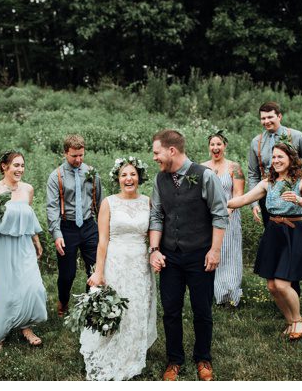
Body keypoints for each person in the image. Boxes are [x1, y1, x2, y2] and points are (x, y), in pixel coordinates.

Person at [228, 143, 302, 341]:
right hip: (273, 233)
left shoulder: (301, 181)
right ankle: (290, 321)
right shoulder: (268, 182)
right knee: (272, 286)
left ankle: (298, 320)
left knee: (283, 284)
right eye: (273, 157)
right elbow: (243, 199)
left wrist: (298, 199)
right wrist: (216, 203)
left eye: (280, 157)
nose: (276, 161)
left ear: (291, 158)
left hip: (293, 233)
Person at [148, 129, 227, 381]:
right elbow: (157, 215)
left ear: (171, 150)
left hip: (200, 255)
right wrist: (154, 250)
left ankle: (203, 358)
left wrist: (214, 251)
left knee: (202, 310)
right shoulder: (160, 179)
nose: (154, 158)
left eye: (156, 153)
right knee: (170, 310)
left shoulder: (205, 176)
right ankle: (174, 360)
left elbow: (219, 214)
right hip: (170, 256)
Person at [80, 157, 158, 381]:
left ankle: (133, 350)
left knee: (137, 307)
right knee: (116, 307)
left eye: (132, 174)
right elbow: (102, 240)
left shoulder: (148, 201)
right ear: (118, 178)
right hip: (115, 261)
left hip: (139, 263)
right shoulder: (109, 202)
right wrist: (98, 271)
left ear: (139, 177)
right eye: (124, 175)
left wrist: (154, 253)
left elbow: (153, 232)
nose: (128, 178)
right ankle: (109, 348)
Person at [0, 150, 47, 352]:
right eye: (16, 165)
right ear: (4, 166)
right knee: (5, 291)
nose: (20, 169)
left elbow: (27, 218)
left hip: (23, 244)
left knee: (33, 286)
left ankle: (26, 326)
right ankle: (0, 334)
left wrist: (36, 240)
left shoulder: (28, 189)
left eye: (22, 165)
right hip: (1, 246)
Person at [45, 134, 103, 317]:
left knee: (94, 268)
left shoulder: (92, 173)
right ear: (65, 153)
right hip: (66, 228)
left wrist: (103, 229)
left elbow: (100, 203)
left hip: (89, 226)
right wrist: (57, 234)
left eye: (81, 155)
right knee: (67, 274)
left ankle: (91, 304)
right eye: (74, 156)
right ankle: (63, 300)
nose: (78, 160)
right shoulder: (56, 177)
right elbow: (52, 207)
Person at [202, 131, 245, 307]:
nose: (215, 147)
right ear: (209, 147)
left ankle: (230, 294)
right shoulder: (202, 167)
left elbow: (239, 194)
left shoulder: (234, 168)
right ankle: (213, 291)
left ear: (225, 146)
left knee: (229, 254)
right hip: (207, 219)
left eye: (219, 144)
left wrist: (225, 213)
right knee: (211, 252)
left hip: (230, 216)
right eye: (212, 144)